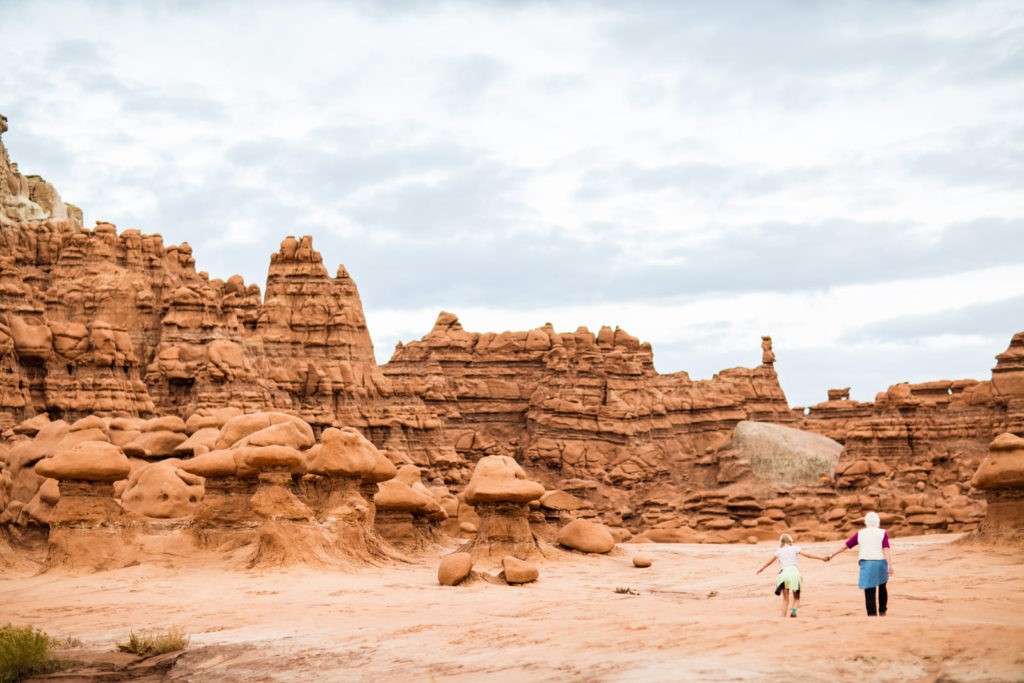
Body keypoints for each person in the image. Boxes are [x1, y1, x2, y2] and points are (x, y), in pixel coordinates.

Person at [826, 511, 894, 616]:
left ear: (866, 522)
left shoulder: (860, 533)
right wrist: (890, 565)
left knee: (869, 589)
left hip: (867, 563)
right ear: (878, 521)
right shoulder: (883, 532)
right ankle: (882, 610)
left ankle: (871, 614)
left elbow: (846, 546)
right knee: (882, 586)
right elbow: (886, 549)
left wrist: (832, 555)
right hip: (880, 562)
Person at [756, 533, 827, 617]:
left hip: (783, 575)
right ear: (790, 541)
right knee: (796, 597)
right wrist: (822, 558)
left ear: (781, 541)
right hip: (794, 574)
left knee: (785, 600)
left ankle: (782, 617)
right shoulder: (795, 548)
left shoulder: (779, 551)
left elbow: (769, 562)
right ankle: (794, 610)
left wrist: (761, 569)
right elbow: (808, 555)